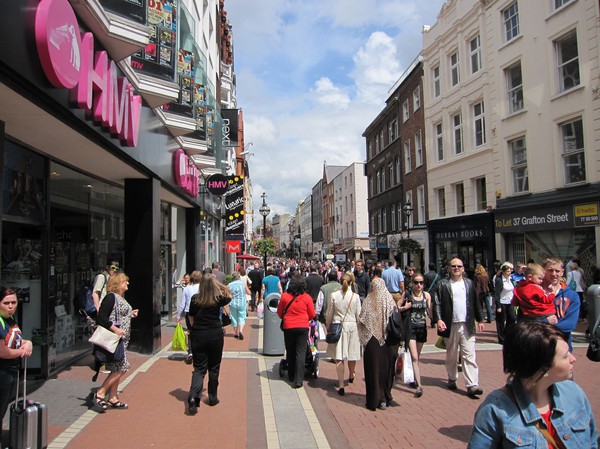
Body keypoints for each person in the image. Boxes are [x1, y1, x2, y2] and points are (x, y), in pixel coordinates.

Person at [468, 320, 598, 448]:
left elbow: (592, 442)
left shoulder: (574, 394)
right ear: (543, 368)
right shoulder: (496, 409)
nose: (573, 359)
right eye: (565, 356)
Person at [433, 258, 485, 397]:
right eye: (454, 266)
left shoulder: (469, 283)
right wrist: (438, 319)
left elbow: (475, 302)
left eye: (459, 266)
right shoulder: (442, 284)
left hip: (467, 324)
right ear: (449, 268)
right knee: (452, 354)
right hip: (451, 324)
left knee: (469, 355)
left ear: (463, 269)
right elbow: (437, 303)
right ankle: (452, 377)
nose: (456, 268)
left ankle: (472, 384)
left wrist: (480, 319)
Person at [187, 273, 232, 414]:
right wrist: (217, 284)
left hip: (199, 334)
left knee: (199, 368)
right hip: (215, 334)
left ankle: (194, 397)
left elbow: (191, 317)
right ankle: (212, 397)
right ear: (213, 285)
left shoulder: (195, 299)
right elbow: (229, 296)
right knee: (214, 366)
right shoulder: (218, 298)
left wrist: (193, 329)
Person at [94, 273, 139, 411]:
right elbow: (101, 317)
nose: (127, 284)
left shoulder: (119, 298)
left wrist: (130, 314)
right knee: (123, 367)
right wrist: (115, 329)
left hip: (121, 340)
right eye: (125, 281)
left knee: (116, 368)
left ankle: (113, 397)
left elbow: (119, 315)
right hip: (115, 339)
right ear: (118, 283)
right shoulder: (110, 297)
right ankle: (100, 393)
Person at [358, 273, 398, 411]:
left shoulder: (368, 301)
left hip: (372, 342)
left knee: (373, 371)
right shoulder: (390, 300)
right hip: (388, 342)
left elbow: (362, 320)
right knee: (387, 371)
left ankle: (375, 399)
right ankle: (386, 397)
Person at [0, 287, 33, 431]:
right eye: (6, 303)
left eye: (13, 302)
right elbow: (3, 352)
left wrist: (28, 343)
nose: (11, 306)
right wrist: (22, 351)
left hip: (10, 371)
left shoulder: (10, 319)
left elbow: (18, 340)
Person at [325, 272, 361, 396]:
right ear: (352, 282)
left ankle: (341, 385)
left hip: (337, 325)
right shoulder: (355, 297)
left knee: (339, 356)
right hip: (352, 327)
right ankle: (351, 373)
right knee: (352, 354)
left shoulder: (334, 295)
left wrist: (328, 324)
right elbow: (359, 315)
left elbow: (329, 312)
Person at [277, 275, 315, 389]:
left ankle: (291, 374)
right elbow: (312, 314)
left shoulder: (284, 297)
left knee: (290, 350)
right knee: (300, 352)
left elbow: (279, 313)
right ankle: (299, 379)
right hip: (302, 326)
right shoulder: (307, 297)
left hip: (289, 326)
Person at [399, 272, 431, 398]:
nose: (419, 285)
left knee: (418, 356)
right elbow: (397, 307)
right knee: (415, 357)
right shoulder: (407, 294)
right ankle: (419, 386)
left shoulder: (426, 295)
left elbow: (430, 311)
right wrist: (404, 307)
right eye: (416, 282)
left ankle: (413, 377)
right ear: (412, 283)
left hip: (422, 329)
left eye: (421, 283)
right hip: (410, 329)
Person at [543, 257, 580, 351]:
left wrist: (542, 326)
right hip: (539, 347)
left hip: (562, 347)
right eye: (550, 270)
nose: (554, 274)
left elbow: (570, 324)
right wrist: (545, 321)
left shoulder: (572, 295)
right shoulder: (536, 292)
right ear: (544, 271)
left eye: (557, 271)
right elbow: (526, 320)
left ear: (562, 272)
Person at [177, 270, 201, 364]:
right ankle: (199, 352)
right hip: (200, 312)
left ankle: (190, 352)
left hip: (189, 312)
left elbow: (182, 303)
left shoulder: (187, 288)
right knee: (200, 331)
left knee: (190, 332)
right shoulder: (203, 288)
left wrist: (178, 315)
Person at [494, 262, 516, 345]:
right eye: (507, 271)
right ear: (503, 272)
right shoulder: (499, 280)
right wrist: (498, 305)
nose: (509, 272)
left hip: (510, 302)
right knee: (501, 320)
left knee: (512, 318)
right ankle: (501, 338)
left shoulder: (511, 279)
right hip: (502, 302)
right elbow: (497, 294)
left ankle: (507, 334)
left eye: (510, 271)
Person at [228, 271, 250, 340]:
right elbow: (248, 292)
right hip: (242, 303)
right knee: (241, 317)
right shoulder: (242, 284)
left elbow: (227, 294)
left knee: (234, 318)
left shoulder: (229, 285)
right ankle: (240, 331)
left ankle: (236, 333)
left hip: (233, 303)